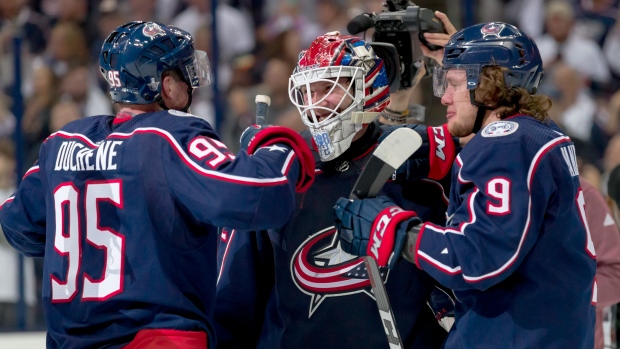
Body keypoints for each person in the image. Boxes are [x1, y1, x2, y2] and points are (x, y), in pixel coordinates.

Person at [0, 21, 315, 348]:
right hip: (157, 338)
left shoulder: (61, 143)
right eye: (184, 73)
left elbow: (16, 224)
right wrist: (278, 148)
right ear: (165, 85)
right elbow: (256, 196)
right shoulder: (167, 135)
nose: (192, 84)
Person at [334, 22, 596, 348]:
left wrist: (395, 231)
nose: (444, 96)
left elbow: (481, 257)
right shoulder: (543, 133)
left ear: (490, 87)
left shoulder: (506, 142)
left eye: (453, 83)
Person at [214, 15, 461, 349]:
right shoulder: (279, 167)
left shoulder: (422, 154)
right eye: (308, 90)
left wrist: (462, 61)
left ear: (368, 91)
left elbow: (500, 140)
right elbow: (235, 299)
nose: (316, 103)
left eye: (331, 87)